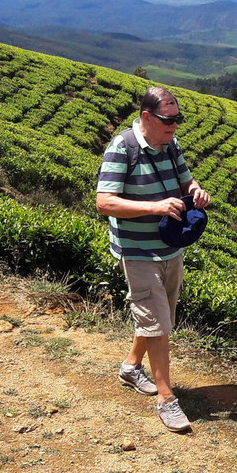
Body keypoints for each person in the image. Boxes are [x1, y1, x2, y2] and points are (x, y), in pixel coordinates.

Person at [96, 86, 211, 433]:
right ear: (147, 117)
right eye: (168, 120)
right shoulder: (122, 148)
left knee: (160, 316)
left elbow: (186, 181)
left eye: (178, 119)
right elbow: (104, 202)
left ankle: (131, 367)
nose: (175, 125)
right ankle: (166, 398)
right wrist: (155, 207)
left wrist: (196, 192)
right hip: (138, 251)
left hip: (170, 246)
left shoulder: (170, 145)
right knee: (158, 324)